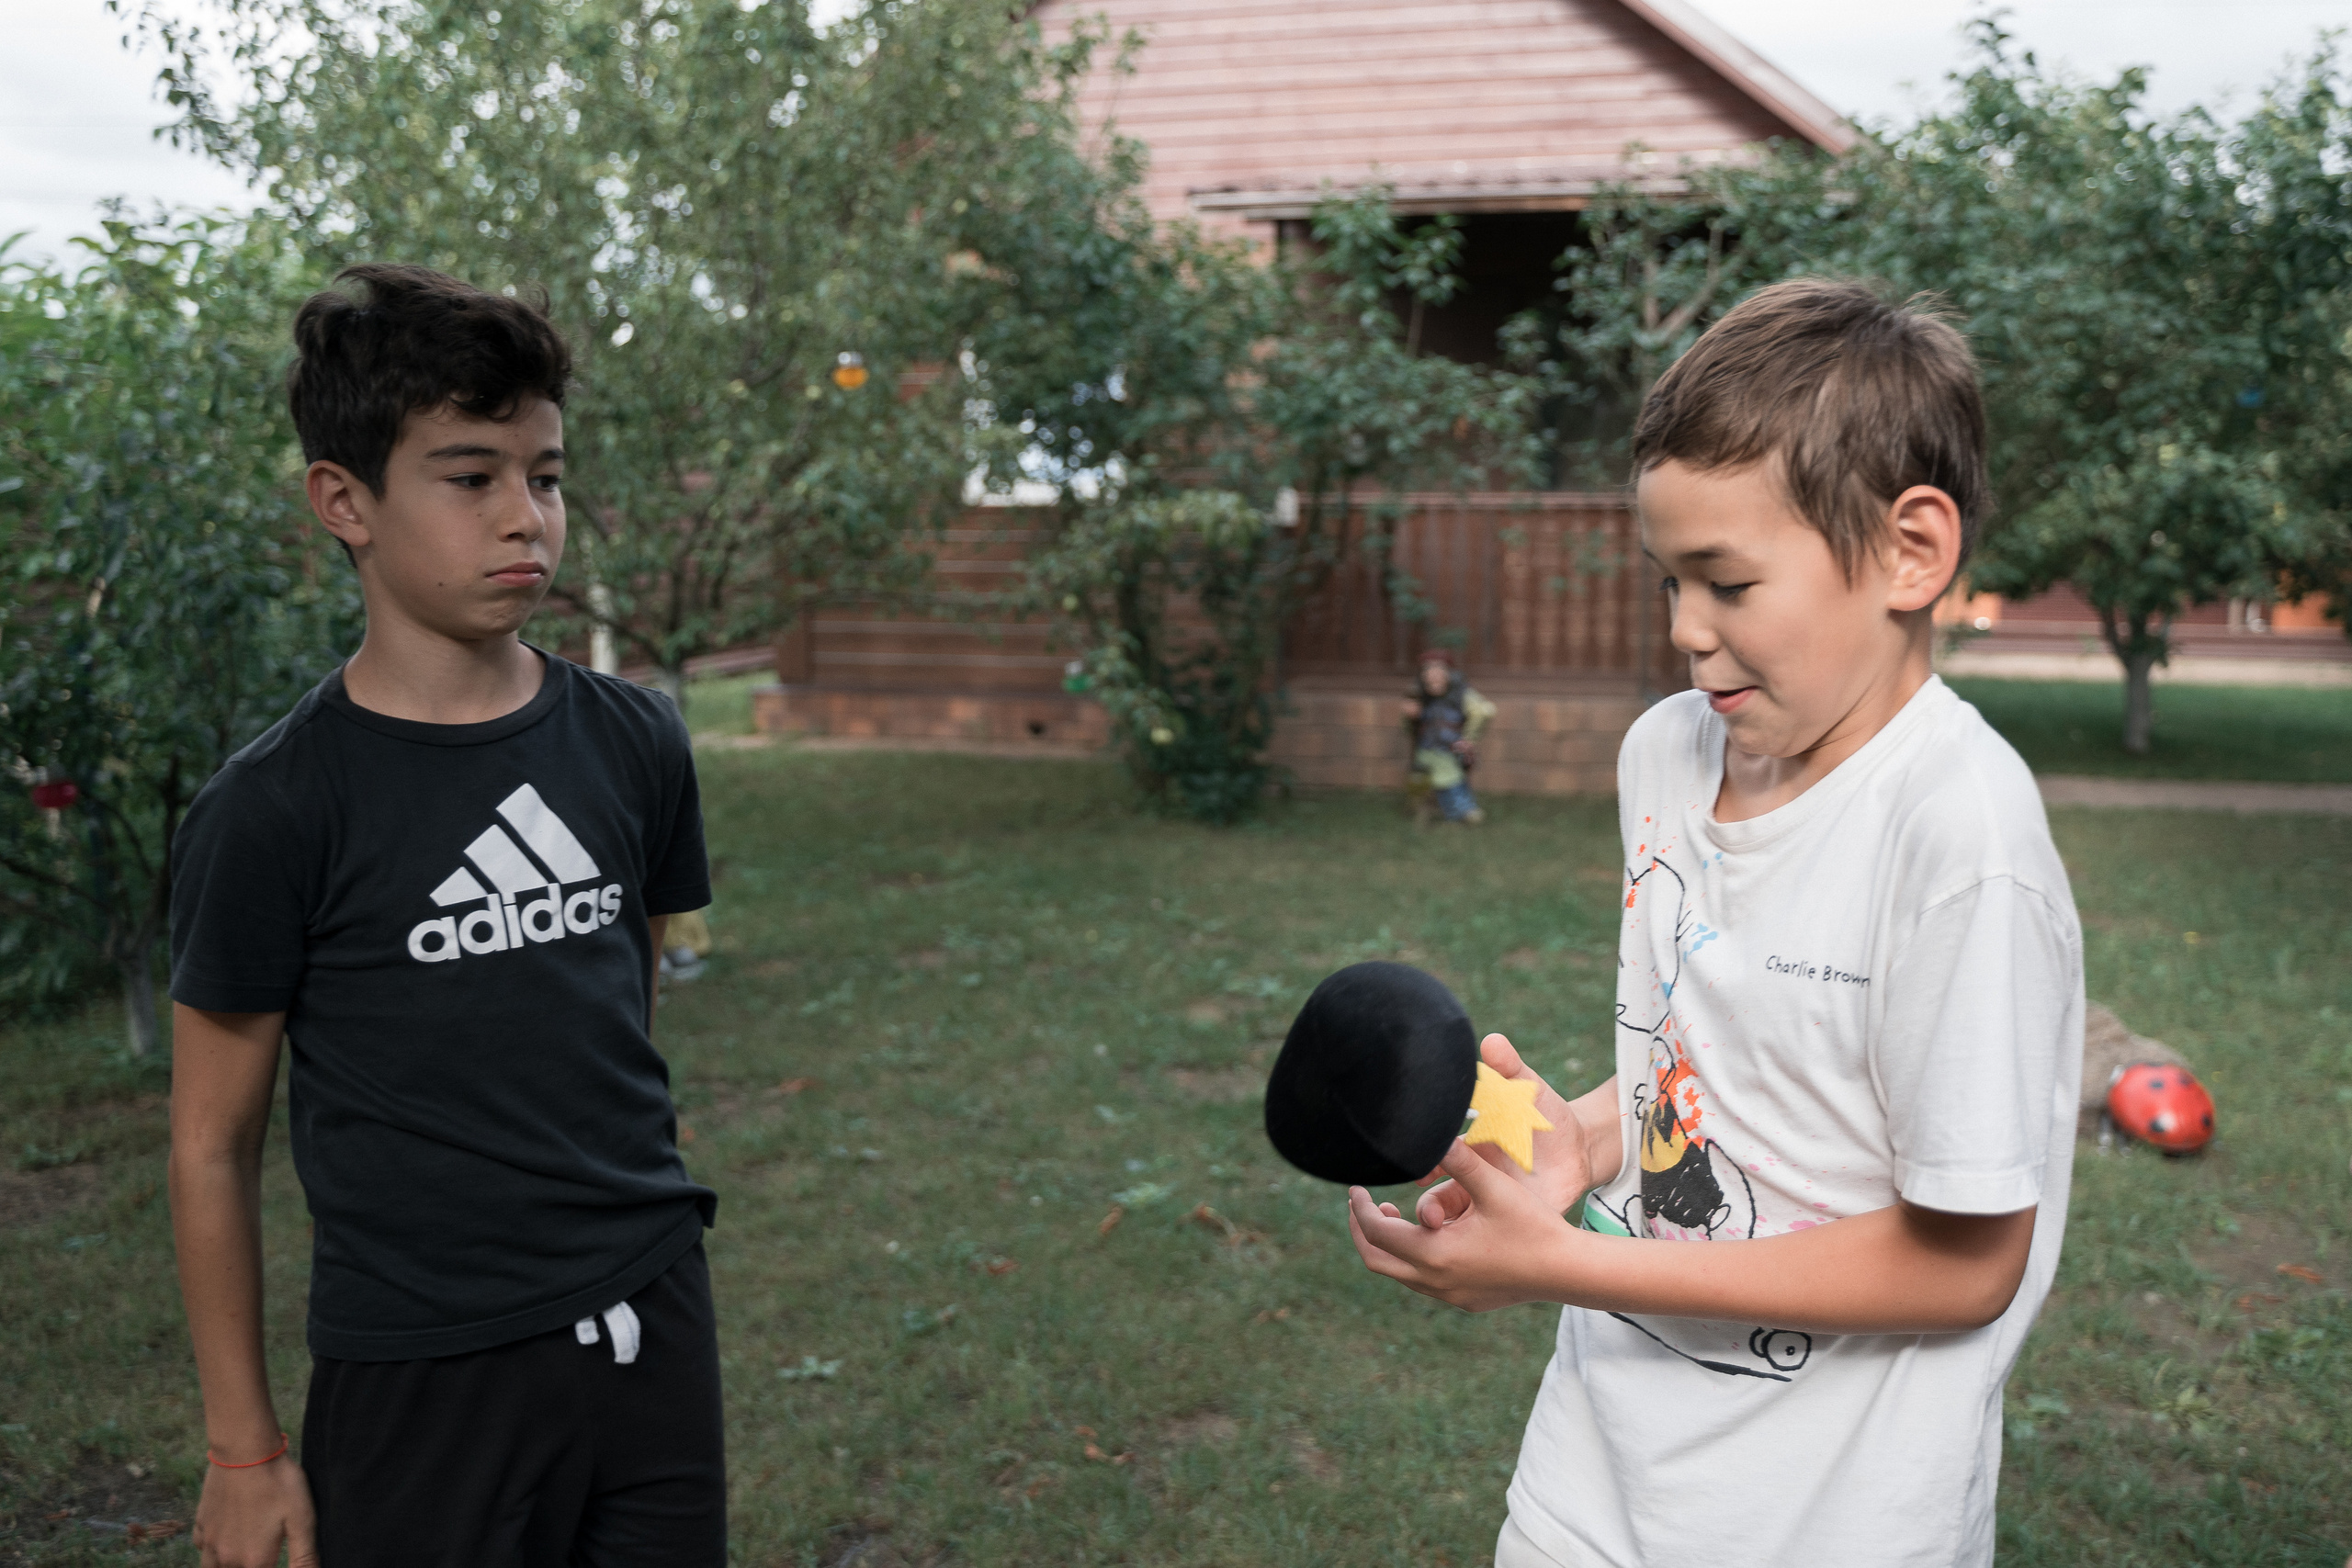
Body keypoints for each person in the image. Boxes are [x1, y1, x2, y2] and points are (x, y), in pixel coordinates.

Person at [1345, 278, 2082, 1568]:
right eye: (1670, 578)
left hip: (1834, 1520)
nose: (1685, 632)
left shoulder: (1962, 839)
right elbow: (1696, 1069)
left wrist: (1567, 1266)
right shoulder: (1666, 758)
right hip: (1595, 1474)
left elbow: (1966, 1263)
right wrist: (1561, 1142)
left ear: (1912, 551)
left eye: (1728, 580)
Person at [167, 265, 723, 1568]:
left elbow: (614, 1006)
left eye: (547, 473)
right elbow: (210, 1144)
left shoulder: (636, 735)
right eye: (471, 477)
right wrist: (244, 1452)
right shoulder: (277, 807)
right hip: (422, 1365)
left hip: (651, 1313)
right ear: (344, 501)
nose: (525, 516)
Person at [1399, 649, 1498, 825]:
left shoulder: (1461, 693)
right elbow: (1409, 724)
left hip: (1449, 749)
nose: (1433, 674)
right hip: (1426, 747)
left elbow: (1485, 711)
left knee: (1450, 779)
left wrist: (1468, 738)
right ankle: (1422, 809)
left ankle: (1463, 811)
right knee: (1419, 781)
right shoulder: (1419, 693)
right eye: (1428, 669)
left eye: (1438, 669)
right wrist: (1410, 716)